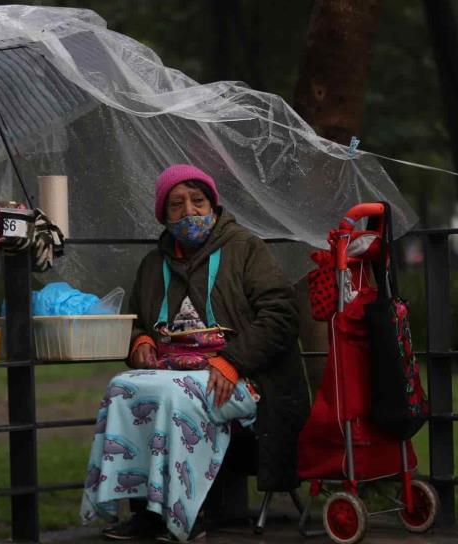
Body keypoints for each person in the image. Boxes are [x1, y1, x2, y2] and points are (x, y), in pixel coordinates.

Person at [80, 164, 308, 542]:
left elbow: (281, 315)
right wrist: (139, 341)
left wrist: (234, 360)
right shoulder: (154, 264)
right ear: (163, 215)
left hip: (244, 375)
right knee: (122, 388)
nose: (189, 212)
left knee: (177, 396)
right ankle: (144, 512)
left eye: (198, 201)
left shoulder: (245, 248)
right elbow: (135, 320)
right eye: (176, 205)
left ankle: (183, 515)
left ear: (213, 205)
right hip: (172, 371)